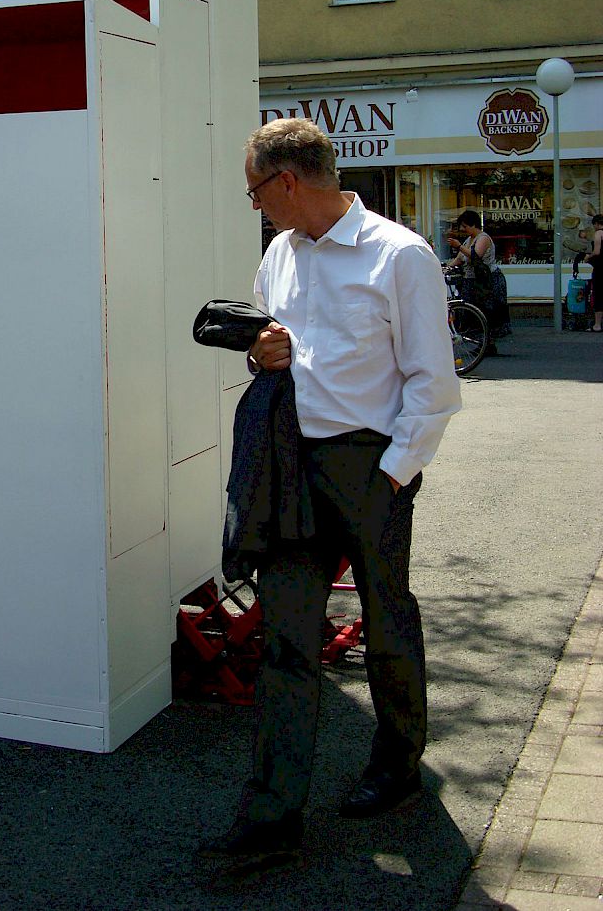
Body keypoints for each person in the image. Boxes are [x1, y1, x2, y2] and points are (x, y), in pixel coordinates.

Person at [198, 118, 461, 874]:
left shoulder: (398, 254)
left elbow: (433, 384)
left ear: (287, 181)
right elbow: (270, 348)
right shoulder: (279, 254)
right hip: (289, 468)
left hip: (368, 467)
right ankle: (272, 816)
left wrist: (392, 472)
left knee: (387, 623)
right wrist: (260, 352)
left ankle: (398, 766)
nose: (256, 207)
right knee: (285, 641)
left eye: (256, 191)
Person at [444, 210, 511, 347]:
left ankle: (487, 343)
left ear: (473, 224)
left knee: (486, 311)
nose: (463, 229)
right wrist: (446, 268)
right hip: (472, 280)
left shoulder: (483, 238)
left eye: (465, 226)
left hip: (486, 281)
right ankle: (482, 343)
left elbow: (475, 255)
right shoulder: (469, 240)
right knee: (473, 311)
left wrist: (458, 246)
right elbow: (460, 259)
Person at [586, 213, 603, 332]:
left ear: (596, 224)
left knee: (599, 294)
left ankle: (597, 324)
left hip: (601, 268)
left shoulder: (598, 233)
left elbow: (597, 252)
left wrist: (588, 257)